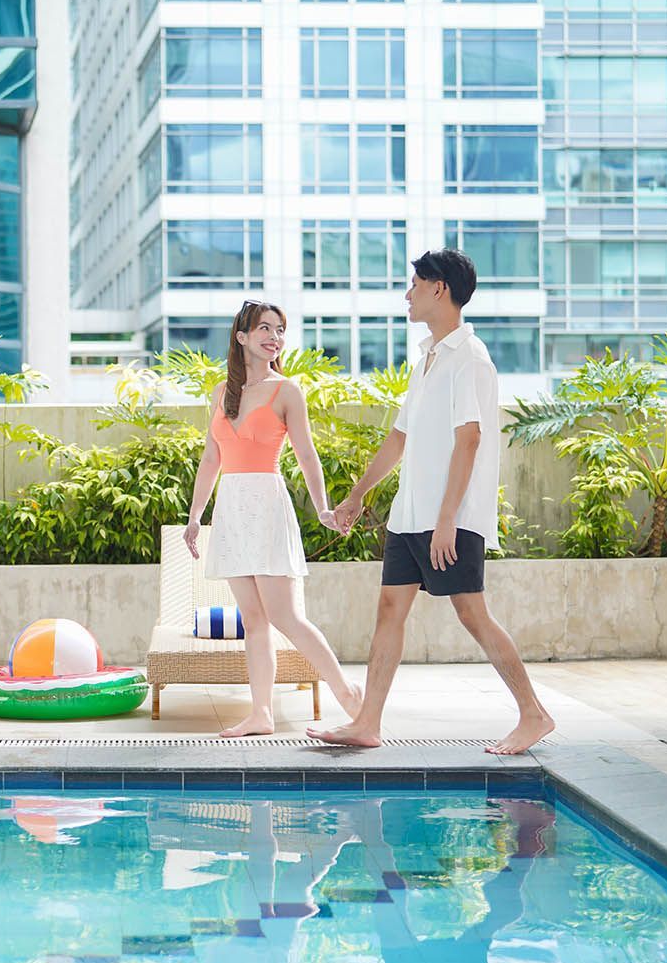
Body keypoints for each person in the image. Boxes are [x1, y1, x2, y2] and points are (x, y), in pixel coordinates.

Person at [308, 248, 555, 754]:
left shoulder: (471, 359)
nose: (407, 294)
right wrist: (357, 494)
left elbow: (470, 439)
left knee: (471, 613)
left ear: (439, 288)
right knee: (389, 608)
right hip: (410, 513)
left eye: (415, 284)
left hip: (451, 516)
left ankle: (533, 714)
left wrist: (447, 520)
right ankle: (367, 721)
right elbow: (400, 437)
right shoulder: (428, 358)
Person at [184, 300, 363, 736]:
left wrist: (322, 507)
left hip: (266, 504)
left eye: (280, 330)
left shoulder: (287, 391)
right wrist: (194, 517)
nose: (274, 337)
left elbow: (306, 454)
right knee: (254, 619)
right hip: (231, 508)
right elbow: (211, 458)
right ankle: (260, 713)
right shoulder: (221, 392)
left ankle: (348, 694)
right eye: (264, 328)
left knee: (285, 616)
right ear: (242, 337)